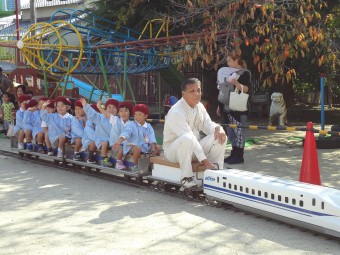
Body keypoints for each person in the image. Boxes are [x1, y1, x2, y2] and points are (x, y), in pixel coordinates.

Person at [163, 78, 227, 189]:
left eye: (198, 90)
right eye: (192, 91)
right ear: (183, 94)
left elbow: (208, 125)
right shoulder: (176, 111)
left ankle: (216, 171)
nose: (197, 94)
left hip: (193, 148)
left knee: (220, 135)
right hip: (174, 151)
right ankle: (186, 177)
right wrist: (204, 161)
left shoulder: (199, 106)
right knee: (187, 138)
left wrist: (218, 128)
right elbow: (190, 137)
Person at [216, 51, 251, 164]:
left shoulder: (245, 73)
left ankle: (239, 155)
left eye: (230, 61)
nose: (228, 63)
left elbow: (246, 89)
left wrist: (236, 83)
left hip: (238, 108)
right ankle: (234, 153)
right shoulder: (227, 73)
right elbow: (223, 90)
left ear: (236, 61)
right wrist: (219, 106)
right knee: (231, 132)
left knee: (239, 132)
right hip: (226, 107)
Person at [113, 104, 160, 172]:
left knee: (157, 148)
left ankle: (153, 166)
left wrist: (153, 148)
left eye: (140, 114)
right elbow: (126, 132)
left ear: (146, 116)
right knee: (137, 149)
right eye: (135, 114)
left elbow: (151, 137)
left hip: (145, 146)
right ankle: (135, 165)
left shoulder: (148, 126)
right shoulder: (131, 124)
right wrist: (119, 141)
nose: (137, 117)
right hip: (132, 146)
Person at [80, 98, 119, 167]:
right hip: (101, 139)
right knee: (104, 143)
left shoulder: (117, 120)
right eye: (109, 107)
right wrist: (86, 106)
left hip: (113, 141)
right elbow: (93, 115)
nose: (111, 109)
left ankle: (119, 161)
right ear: (106, 108)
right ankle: (105, 159)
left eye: (114, 107)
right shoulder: (100, 117)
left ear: (117, 110)